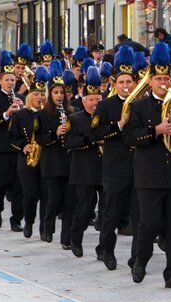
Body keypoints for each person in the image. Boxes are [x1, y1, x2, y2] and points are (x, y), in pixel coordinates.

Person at [122, 42, 171, 290]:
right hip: (150, 177)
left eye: (167, 78)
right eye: (159, 79)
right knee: (149, 224)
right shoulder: (138, 106)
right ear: (150, 81)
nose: (164, 83)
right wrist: (156, 130)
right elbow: (129, 137)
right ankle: (140, 260)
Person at [91, 45, 139, 270]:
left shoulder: (140, 104)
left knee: (138, 216)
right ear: (114, 83)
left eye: (129, 81)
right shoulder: (105, 105)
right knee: (111, 214)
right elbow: (95, 133)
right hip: (115, 168)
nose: (126, 85)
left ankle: (136, 258)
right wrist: (118, 126)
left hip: (138, 167)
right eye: (121, 82)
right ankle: (107, 251)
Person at [64, 66, 103, 258]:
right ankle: (75, 238)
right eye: (92, 100)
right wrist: (91, 140)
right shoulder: (75, 118)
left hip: (104, 169)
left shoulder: (105, 117)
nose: (95, 103)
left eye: (98, 100)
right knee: (85, 208)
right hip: (84, 170)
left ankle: (104, 248)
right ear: (84, 100)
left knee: (107, 210)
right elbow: (69, 142)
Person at [8, 67, 50, 239]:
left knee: (46, 196)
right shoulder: (20, 115)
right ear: (30, 96)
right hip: (27, 161)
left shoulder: (48, 114)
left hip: (46, 160)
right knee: (31, 195)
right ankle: (29, 222)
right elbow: (12, 137)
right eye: (36, 94)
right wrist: (23, 146)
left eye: (42, 94)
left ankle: (44, 228)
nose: (40, 98)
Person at [38, 61, 76, 248]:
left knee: (69, 202)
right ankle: (47, 226)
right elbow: (40, 139)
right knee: (55, 198)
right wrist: (55, 133)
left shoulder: (71, 112)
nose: (59, 96)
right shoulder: (43, 115)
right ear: (50, 94)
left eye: (62, 92)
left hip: (68, 162)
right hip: (52, 162)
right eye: (55, 92)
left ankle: (66, 239)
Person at [0, 51, 25, 232]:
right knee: (1, 182)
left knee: (19, 185)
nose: (10, 83)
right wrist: (6, 114)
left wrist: (23, 111)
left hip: (19, 147)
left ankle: (16, 219)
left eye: (13, 80)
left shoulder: (21, 99)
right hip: (1, 147)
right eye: (7, 80)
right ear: (0, 80)